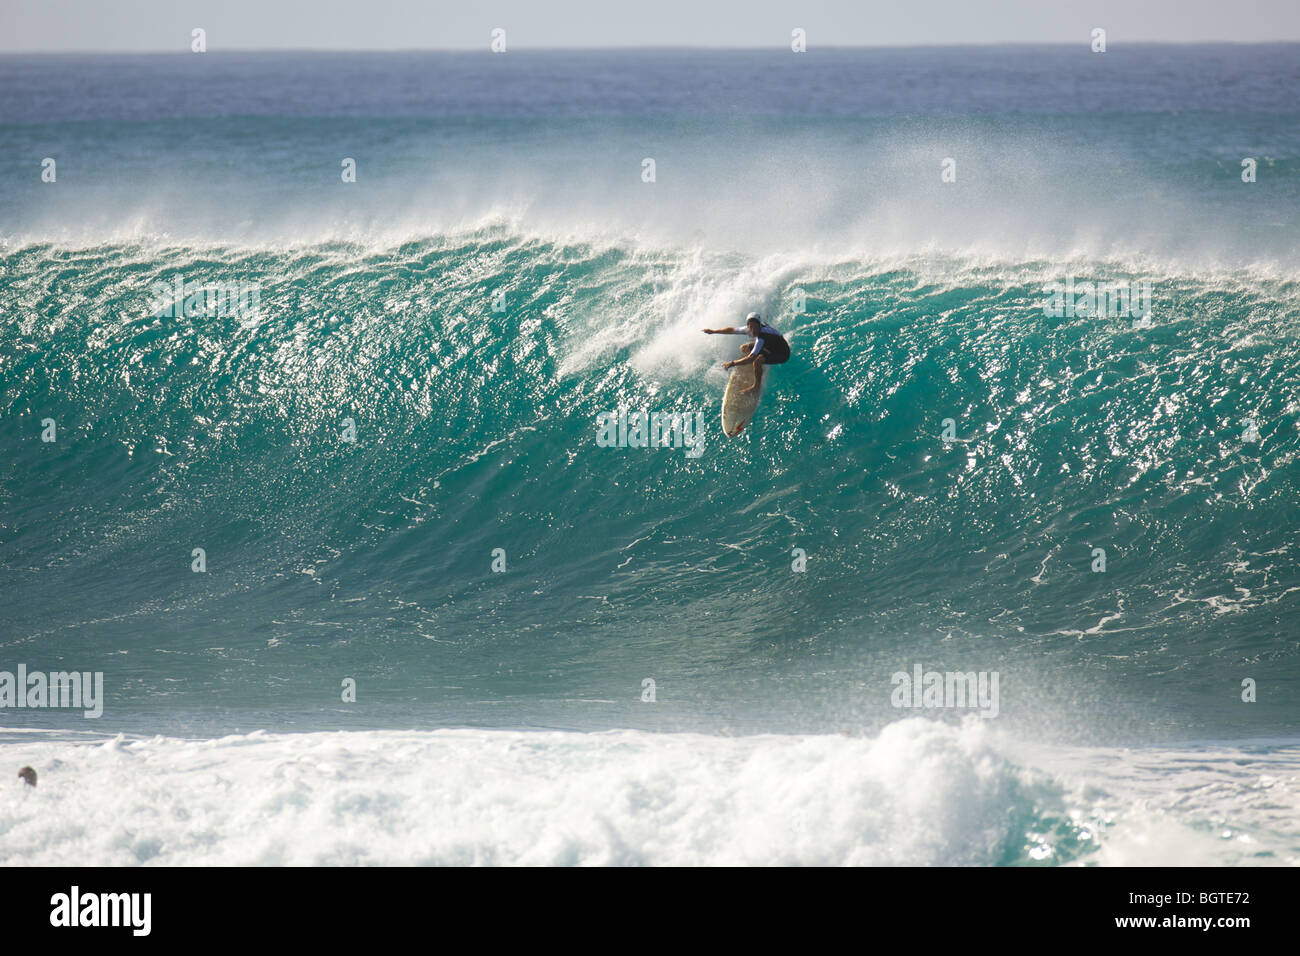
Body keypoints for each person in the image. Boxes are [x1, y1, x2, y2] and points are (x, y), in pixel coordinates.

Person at [702, 312, 790, 394]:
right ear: (747, 326)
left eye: (756, 327)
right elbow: (731, 330)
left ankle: (756, 387)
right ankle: (761, 359)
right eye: (751, 327)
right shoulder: (748, 329)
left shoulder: (762, 336)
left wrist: (733, 363)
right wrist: (713, 331)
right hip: (770, 347)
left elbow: (751, 358)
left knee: (756, 361)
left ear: (760, 326)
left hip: (782, 354)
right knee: (744, 348)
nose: (753, 330)